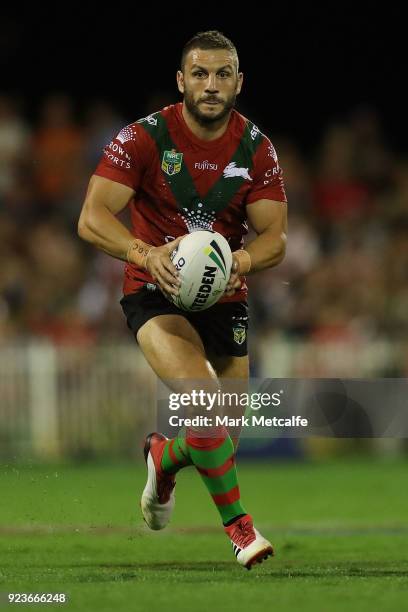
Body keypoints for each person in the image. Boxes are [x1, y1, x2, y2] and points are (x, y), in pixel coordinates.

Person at [78, 30, 287, 570]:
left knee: (222, 437)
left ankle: (162, 457)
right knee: (204, 402)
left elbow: (275, 238)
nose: (211, 85)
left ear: (239, 83)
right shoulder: (145, 138)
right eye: (200, 74)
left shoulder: (257, 148)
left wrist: (241, 261)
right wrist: (144, 255)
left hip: (224, 298)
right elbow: (92, 217)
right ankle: (241, 530)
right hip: (155, 291)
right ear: (181, 81)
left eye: (222, 75)